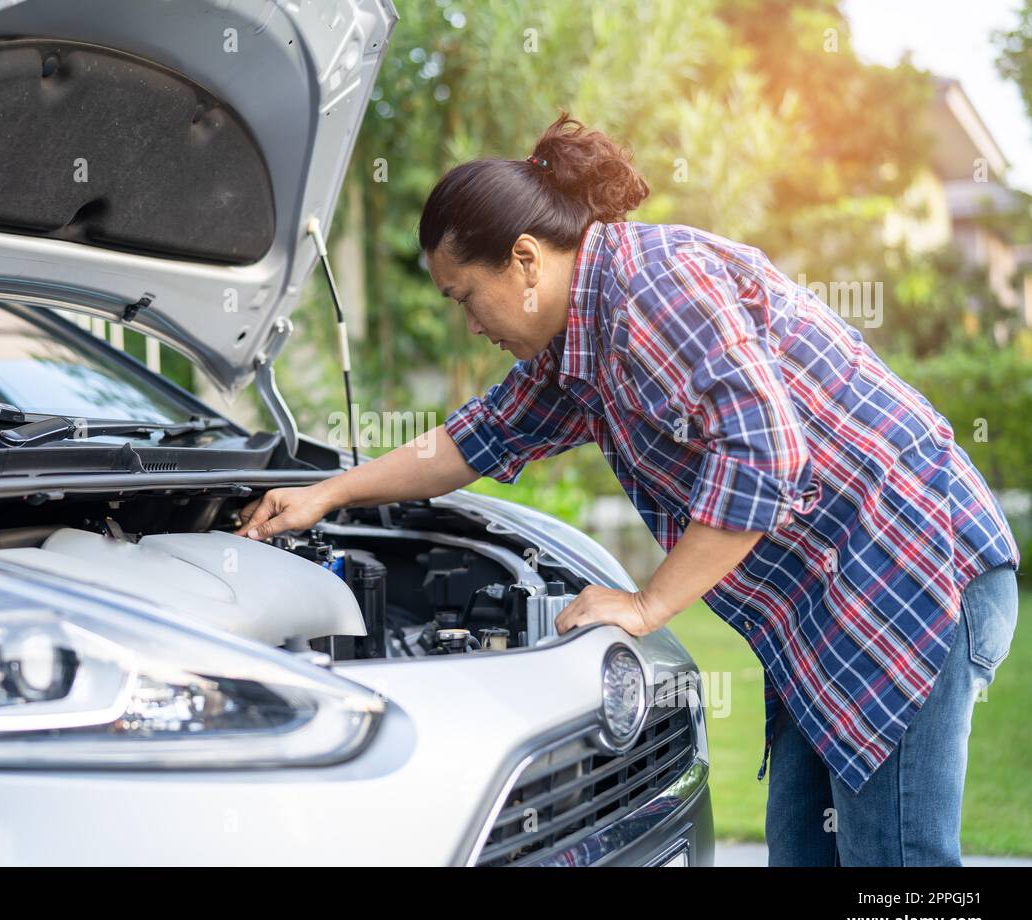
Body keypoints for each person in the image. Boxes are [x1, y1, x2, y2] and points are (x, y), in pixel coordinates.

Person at [235, 112, 1021, 866]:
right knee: (807, 854)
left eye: (464, 297)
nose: (469, 325)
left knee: (899, 871)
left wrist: (648, 606)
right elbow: (465, 443)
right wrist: (327, 495)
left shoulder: (654, 291)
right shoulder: (574, 348)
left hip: (910, 577)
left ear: (525, 260)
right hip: (830, 610)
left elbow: (765, 460)